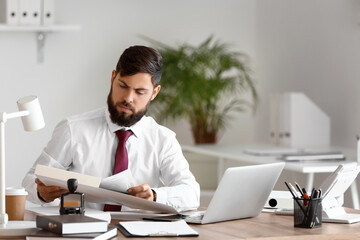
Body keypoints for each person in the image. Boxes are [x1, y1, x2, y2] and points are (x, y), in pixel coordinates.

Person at [22, 45, 200, 212]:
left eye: (140, 92)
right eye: (123, 86)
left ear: (154, 92)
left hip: (137, 233)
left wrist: (155, 195)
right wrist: (41, 193)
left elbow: (191, 193)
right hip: (82, 232)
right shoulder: (73, 130)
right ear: (113, 77)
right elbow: (30, 180)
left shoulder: (163, 139)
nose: (128, 98)